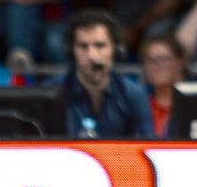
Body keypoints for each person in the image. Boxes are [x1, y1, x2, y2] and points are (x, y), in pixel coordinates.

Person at [57, 8, 153, 139]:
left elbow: (143, 146)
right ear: (71, 52)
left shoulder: (133, 95)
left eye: (100, 45)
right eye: (83, 46)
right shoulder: (52, 93)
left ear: (116, 50)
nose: (91, 55)